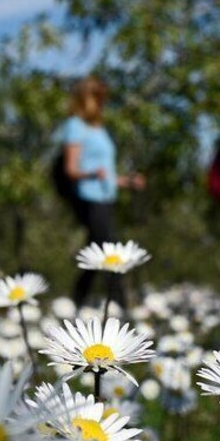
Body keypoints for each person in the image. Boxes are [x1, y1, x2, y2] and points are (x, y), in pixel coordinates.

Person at [61, 76, 146, 310]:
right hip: (90, 198)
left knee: (94, 253)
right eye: (98, 97)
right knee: (110, 252)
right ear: (85, 98)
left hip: (107, 197)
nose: (103, 103)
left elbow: (106, 174)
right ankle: (121, 306)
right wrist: (90, 174)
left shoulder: (99, 129)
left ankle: (75, 302)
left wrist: (126, 181)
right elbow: (71, 169)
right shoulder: (75, 126)